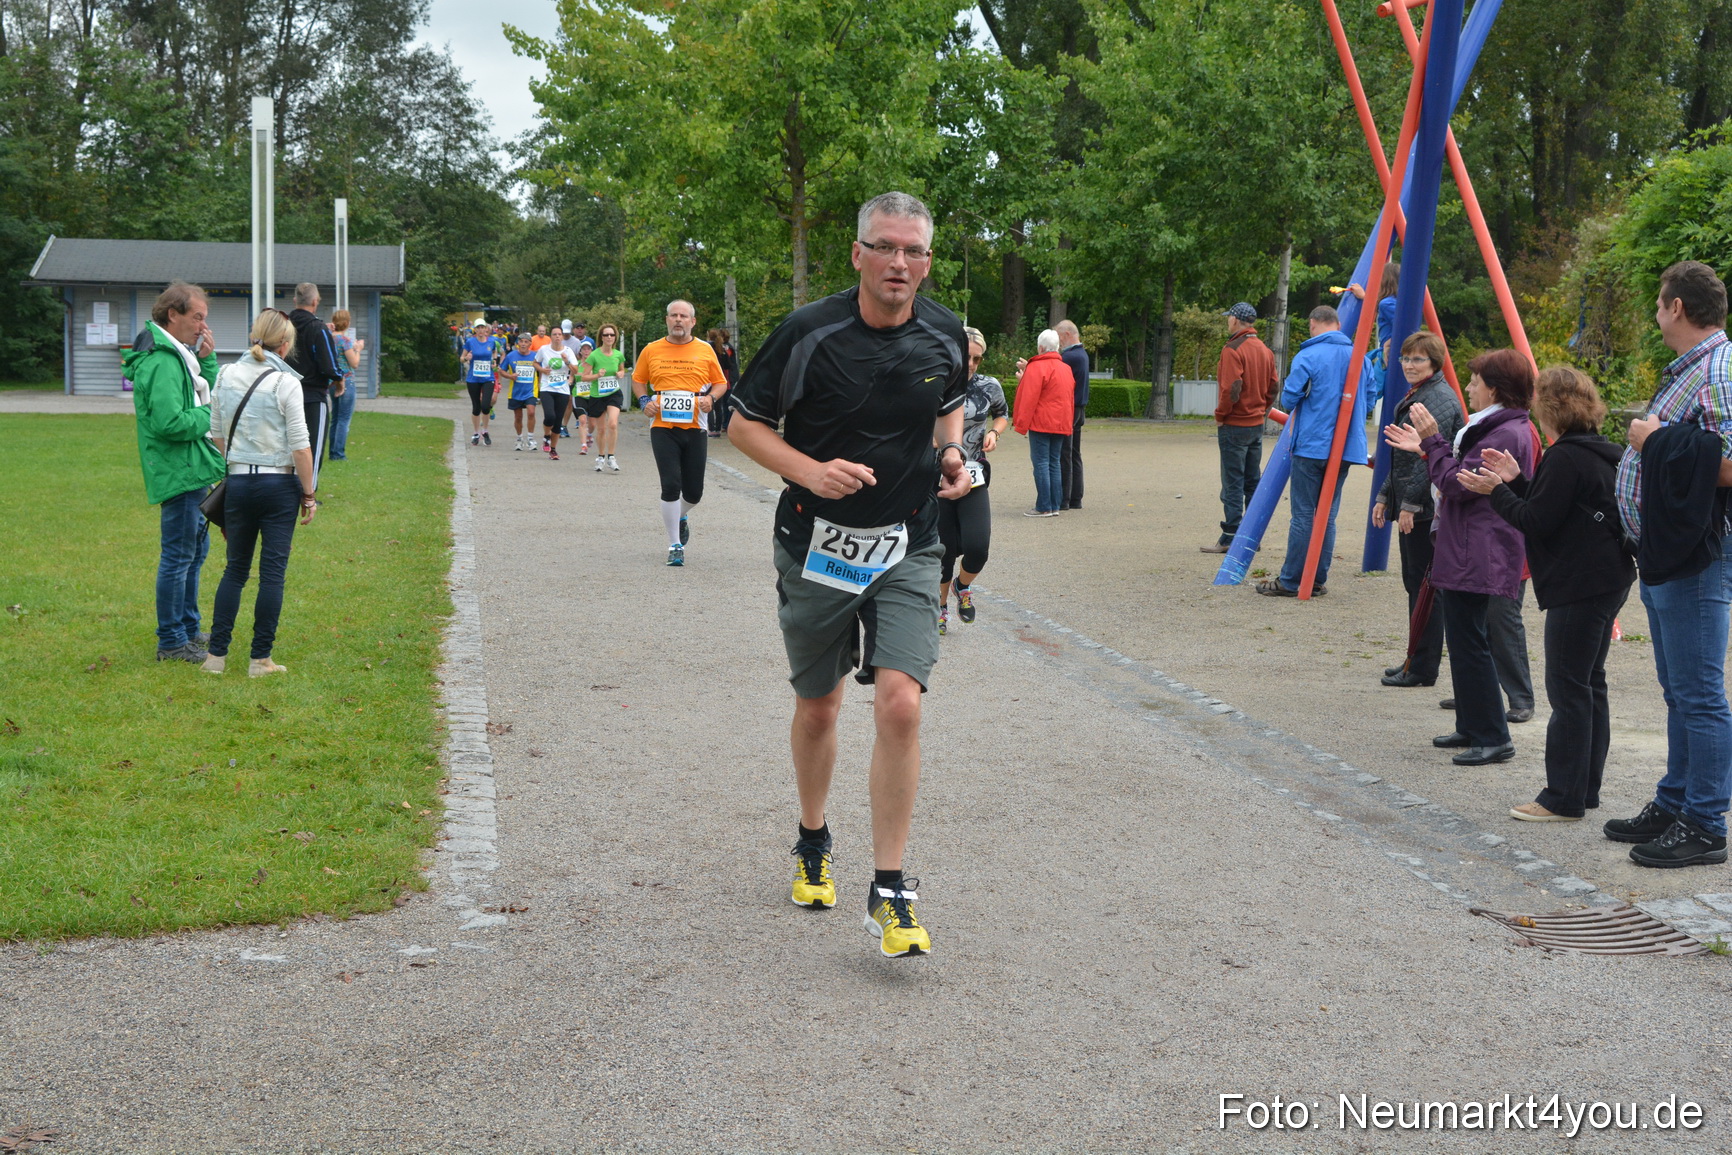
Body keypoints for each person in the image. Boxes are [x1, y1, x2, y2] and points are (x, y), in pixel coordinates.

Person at [729, 191, 969, 958]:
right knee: (820, 707)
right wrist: (810, 471)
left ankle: (890, 888)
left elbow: (950, 407)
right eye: (886, 247)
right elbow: (741, 423)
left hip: (909, 543)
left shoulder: (945, 332)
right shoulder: (810, 333)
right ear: (858, 253)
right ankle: (812, 838)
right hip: (817, 544)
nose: (900, 262)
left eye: (914, 251)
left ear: (927, 263)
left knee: (900, 704)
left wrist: (953, 454)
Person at [1456, 367, 1634, 821]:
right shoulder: (1601, 451)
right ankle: (1584, 789)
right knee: (1589, 684)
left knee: (1569, 688)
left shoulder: (1565, 457)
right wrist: (1517, 482)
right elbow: (1553, 506)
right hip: (1608, 578)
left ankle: (1562, 797)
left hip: (1581, 584)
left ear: (1550, 408)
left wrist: (1497, 491)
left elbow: (1535, 521)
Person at [1603, 260, 1732, 868]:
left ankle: (1705, 823)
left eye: (1659, 303)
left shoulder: (1718, 369)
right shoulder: (1691, 368)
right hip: (1666, 552)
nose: (1656, 314)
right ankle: (1676, 800)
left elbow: (1728, 464)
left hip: (1696, 556)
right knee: (1680, 691)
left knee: (1698, 694)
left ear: (1676, 307)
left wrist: (1653, 442)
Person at [1385, 349, 1535, 766]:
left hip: (1478, 547)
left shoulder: (1503, 433)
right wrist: (1427, 448)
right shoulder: (1499, 426)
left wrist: (1432, 441)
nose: (1468, 388)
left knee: (1471, 642)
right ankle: (1471, 724)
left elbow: (1455, 483)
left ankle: (1493, 736)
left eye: (1475, 381)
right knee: (1465, 637)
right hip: (1472, 544)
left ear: (1495, 389)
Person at [200, 309, 318, 678]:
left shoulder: (225, 374)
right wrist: (309, 494)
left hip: (238, 482)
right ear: (285, 345)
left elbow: (216, 433)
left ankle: (215, 657)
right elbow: (301, 447)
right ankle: (260, 659)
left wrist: (238, 461)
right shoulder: (286, 382)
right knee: (272, 574)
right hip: (278, 484)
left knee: (235, 570)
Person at [124, 281, 227, 663]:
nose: (203, 326)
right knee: (179, 557)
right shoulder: (163, 361)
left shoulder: (180, 355)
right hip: (179, 471)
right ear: (173, 314)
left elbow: (201, 391)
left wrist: (208, 359)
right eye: (197, 317)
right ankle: (171, 641)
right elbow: (170, 422)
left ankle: (187, 629)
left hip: (191, 468)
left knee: (194, 554)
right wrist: (213, 414)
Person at [1376, 332, 1464, 687]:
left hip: (1427, 507)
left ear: (1434, 362)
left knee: (1426, 587)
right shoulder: (1420, 393)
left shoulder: (1436, 398)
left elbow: (1427, 458)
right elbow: (1403, 454)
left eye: (1417, 359)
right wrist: (1386, 495)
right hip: (1416, 502)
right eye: (1405, 358)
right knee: (1416, 584)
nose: (1409, 365)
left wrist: (1410, 504)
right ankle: (1415, 657)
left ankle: (1423, 666)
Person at [1256, 306, 1364, 596]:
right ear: (1337, 324)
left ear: (1313, 323)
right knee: (1327, 515)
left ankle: (1292, 580)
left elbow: (1290, 399)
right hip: (1345, 447)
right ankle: (1316, 578)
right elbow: (1368, 394)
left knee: (1303, 514)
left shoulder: (1309, 355)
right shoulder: (1359, 356)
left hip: (1312, 445)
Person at [631, 300, 728, 564]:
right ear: (666, 320)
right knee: (671, 485)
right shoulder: (651, 349)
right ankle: (675, 545)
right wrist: (644, 401)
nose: (678, 320)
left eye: (683, 316)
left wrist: (711, 398)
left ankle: (681, 514)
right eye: (673, 315)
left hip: (696, 425)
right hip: (662, 426)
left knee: (694, 493)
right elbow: (638, 380)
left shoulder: (705, 349)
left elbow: (720, 383)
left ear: (692, 322)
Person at [938, 326, 1009, 635]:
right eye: (966, 356)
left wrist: (994, 432)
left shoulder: (988, 385)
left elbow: (1003, 413)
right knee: (944, 550)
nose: (970, 364)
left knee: (978, 547)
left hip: (974, 473)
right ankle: (939, 606)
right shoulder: (934, 382)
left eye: (977, 359)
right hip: (937, 475)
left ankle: (962, 585)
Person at [1204, 303, 1276, 553]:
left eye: (1229, 318)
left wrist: (1220, 415)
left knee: (1232, 482)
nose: (1228, 322)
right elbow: (1273, 386)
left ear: (1235, 320)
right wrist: (1262, 409)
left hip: (1234, 423)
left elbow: (1231, 388)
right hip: (1256, 423)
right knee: (1252, 480)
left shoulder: (1232, 349)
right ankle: (1252, 534)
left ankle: (1229, 536)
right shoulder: (1265, 350)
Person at [285, 283, 344, 487]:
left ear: (295, 300)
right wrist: (339, 380)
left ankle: (287, 487)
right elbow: (329, 365)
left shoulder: (283, 325)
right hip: (312, 396)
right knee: (313, 446)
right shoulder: (318, 328)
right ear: (315, 301)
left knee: (286, 444)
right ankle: (308, 493)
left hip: (284, 394)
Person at [1012, 329, 1074, 517]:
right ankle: (1054, 505)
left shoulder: (1036, 367)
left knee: (1041, 463)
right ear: (1057, 347)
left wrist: (1021, 423)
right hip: (1060, 422)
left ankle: (1044, 506)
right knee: (1054, 463)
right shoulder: (1066, 368)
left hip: (1041, 422)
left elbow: (1028, 398)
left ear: (1040, 347)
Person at [1347, 260, 1400, 418]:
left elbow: (1401, 325)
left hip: (1389, 353)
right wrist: (1365, 296)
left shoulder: (1387, 303)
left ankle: (1357, 412)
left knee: (1373, 386)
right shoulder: (1395, 301)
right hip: (1386, 352)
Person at [580, 323, 627, 472]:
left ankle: (611, 457)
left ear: (615, 337)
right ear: (601, 337)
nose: (609, 337)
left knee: (612, 424)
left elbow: (622, 370)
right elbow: (584, 377)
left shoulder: (618, 354)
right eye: (606, 335)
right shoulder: (594, 355)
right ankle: (600, 457)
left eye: (612, 335)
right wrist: (597, 375)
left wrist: (621, 373)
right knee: (601, 429)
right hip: (597, 395)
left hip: (613, 393)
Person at [534, 329, 581, 459]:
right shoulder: (544, 349)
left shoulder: (568, 351)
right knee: (550, 416)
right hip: (547, 388)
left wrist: (566, 361)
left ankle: (553, 450)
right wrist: (542, 370)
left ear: (562, 337)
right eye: (554, 334)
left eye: (559, 334)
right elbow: (535, 362)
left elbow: (576, 370)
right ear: (551, 336)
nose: (557, 337)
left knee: (558, 421)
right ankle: (546, 436)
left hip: (562, 390)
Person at [1056, 319, 1089, 509]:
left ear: (1067, 334)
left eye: (1059, 337)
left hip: (1070, 409)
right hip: (1079, 408)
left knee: (1065, 454)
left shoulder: (1069, 357)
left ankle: (1064, 499)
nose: (1058, 342)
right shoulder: (1081, 354)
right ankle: (1076, 497)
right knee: (1074, 453)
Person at [326, 309, 364, 461]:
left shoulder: (328, 339)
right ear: (347, 323)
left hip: (332, 382)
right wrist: (358, 350)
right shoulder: (345, 341)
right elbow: (354, 363)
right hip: (346, 381)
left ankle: (332, 452)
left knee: (335, 418)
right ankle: (338, 454)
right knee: (344, 419)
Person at [499, 332, 545, 454]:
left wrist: (541, 383)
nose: (523, 344)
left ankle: (530, 438)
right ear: (517, 343)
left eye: (526, 342)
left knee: (531, 412)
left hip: (531, 391)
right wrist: (510, 376)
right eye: (521, 341)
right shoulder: (511, 356)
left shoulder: (535, 356)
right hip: (516, 392)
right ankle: (519, 438)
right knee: (518, 416)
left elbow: (541, 370)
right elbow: (501, 370)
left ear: (530, 344)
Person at [459, 321, 497, 445]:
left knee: (485, 406)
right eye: (478, 328)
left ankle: (485, 431)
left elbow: (494, 352)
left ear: (486, 329)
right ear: (475, 330)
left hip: (488, 378)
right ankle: (476, 433)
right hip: (473, 379)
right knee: (476, 408)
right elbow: (461, 358)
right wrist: (466, 358)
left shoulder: (491, 342)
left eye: (482, 328)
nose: (480, 330)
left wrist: (494, 361)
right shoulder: (470, 342)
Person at [707, 327, 740, 436]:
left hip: (709, 378)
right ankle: (718, 429)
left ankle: (712, 429)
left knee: (710, 404)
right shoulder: (723, 349)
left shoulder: (706, 347)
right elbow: (728, 365)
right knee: (719, 406)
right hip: (721, 379)